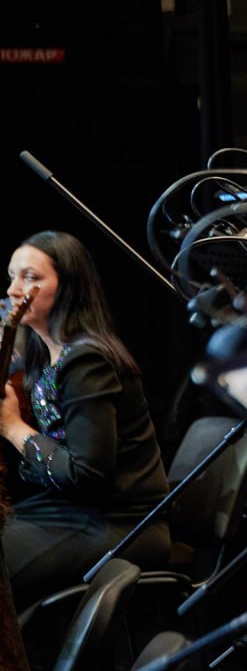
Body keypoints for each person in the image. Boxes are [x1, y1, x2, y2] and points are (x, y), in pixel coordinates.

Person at [0, 231, 171, 613]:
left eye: (30, 277)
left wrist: (13, 428)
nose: (14, 289)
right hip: (68, 510)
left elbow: (87, 476)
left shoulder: (86, 359)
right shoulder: (46, 353)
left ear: (68, 287)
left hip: (117, 523)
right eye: (12, 276)